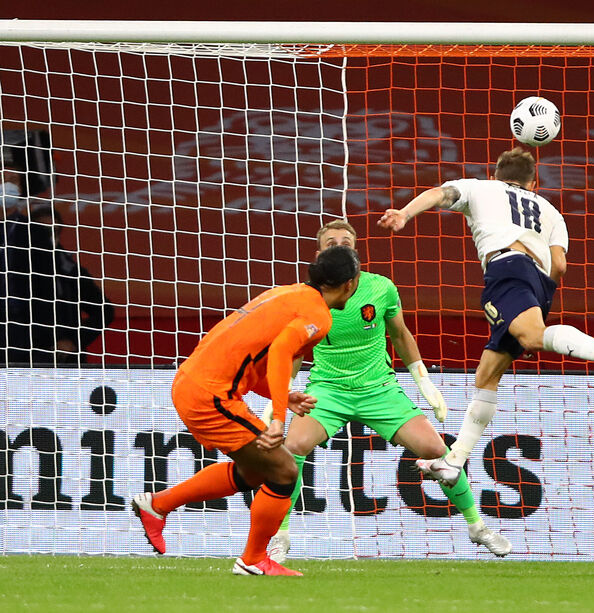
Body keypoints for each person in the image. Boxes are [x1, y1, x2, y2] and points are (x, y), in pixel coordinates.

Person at [377, 147, 594, 487]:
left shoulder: (480, 187)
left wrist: (404, 214)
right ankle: (454, 461)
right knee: (487, 373)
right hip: (541, 283)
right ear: (534, 183)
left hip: (506, 268)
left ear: (494, 175)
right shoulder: (550, 210)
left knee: (532, 336)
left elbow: (438, 194)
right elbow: (559, 265)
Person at [267, 220, 511, 562]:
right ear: (320, 253)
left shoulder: (380, 288)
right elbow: (293, 350)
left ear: (356, 251)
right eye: (332, 241)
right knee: (291, 447)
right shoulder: (305, 296)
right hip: (328, 391)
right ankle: (280, 535)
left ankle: (476, 526)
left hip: (379, 390)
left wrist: (423, 380)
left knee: (438, 450)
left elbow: (400, 335)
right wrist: (278, 397)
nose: (340, 245)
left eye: (346, 241)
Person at [130, 245, 361, 577]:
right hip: (210, 394)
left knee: (255, 471)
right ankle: (253, 560)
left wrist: (284, 395)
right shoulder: (318, 316)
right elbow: (281, 352)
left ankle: (158, 505)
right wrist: (279, 417)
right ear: (349, 284)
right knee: (283, 470)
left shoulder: (288, 294)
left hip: (193, 381)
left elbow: (248, 358)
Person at [3, 200, 114, 366]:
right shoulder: (13, 271)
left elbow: (104, 310)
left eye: (53, 230)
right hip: (21, 359)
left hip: (64, 364)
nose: (47, 236)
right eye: (41, 231)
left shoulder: (69, 270)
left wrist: (73, 341)